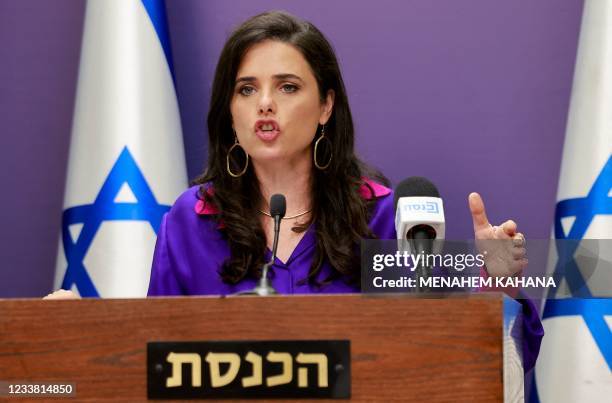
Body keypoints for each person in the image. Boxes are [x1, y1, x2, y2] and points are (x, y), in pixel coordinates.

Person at [49, 10, 544, 371]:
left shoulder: (382, 215)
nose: (264, 104)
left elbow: (440, 355)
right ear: (230, 109)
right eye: (246, 89)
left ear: (326, 105)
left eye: (287, 86)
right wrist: (92, 332)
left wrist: (494, 287)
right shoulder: (190, 219)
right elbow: (156, 362)